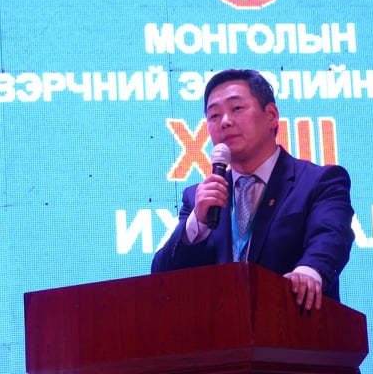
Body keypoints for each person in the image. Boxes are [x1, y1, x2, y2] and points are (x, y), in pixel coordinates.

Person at [151, 69, 355, 310]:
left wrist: (309, 271)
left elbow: (331, 235)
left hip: (294, 322)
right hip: (221, 330)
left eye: (236, 108)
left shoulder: (319, 181)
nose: (225, 121)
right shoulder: (199, 198)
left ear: (271, 115)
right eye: (214, 115)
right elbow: (162, 278)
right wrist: (198, 222)